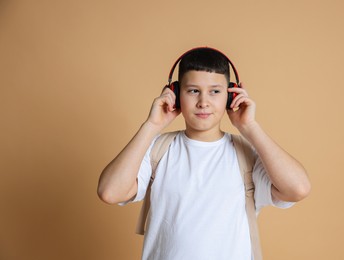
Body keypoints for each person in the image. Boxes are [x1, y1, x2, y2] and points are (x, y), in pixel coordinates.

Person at [97, 47, 311, 260]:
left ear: (230, 95)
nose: (203, 102)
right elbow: (110, 192)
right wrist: (152, 125)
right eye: (193, 91)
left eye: (215, 91)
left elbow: (298, 188)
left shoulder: (246, 155)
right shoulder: (157, 150)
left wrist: (250, 126)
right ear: (175, 94)